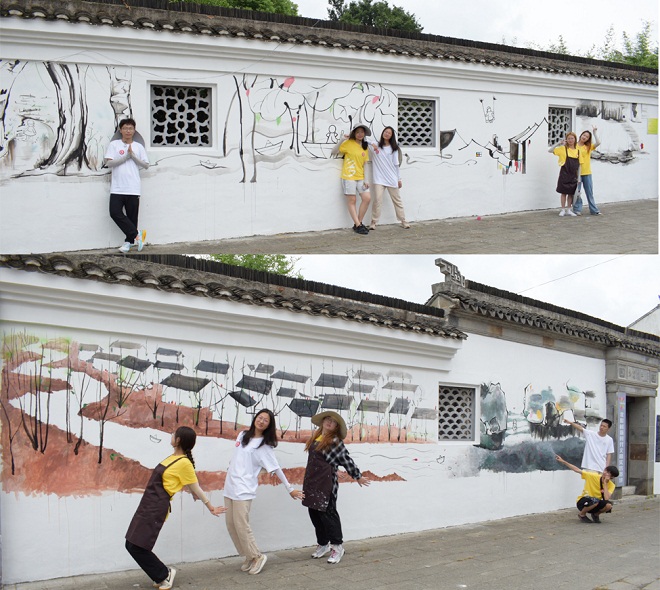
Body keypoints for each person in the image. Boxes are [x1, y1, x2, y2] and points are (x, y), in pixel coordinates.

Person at [125, 426, 224, 590]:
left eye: (173, 434)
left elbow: (195, 487)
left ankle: (164, 574)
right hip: (147, 505)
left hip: (156, 508)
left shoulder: (184, 463)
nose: (171, 435)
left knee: (136, 546)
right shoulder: (171, 458)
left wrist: (210, 506)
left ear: (178, 440)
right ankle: (160, 575)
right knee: (131, 544)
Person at [223, 409, 303, 575]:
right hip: (230, 486)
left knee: (241, 525)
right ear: (255, 418)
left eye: (266, 420)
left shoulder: (264, 446)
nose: (261, 421)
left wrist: (290, 488)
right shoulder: (242, 435)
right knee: (231, 524)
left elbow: (276, 468)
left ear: (269, 425)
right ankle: (249, 556)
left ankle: (257, 556)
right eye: (260, 418)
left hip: (244, 489)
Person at [302, 410, 370, 565]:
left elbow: (346, 459)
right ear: (323, 421)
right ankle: (323, 544)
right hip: (312, 481)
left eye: (333, 421)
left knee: (328, 514)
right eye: (327, 419)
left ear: (336, 427)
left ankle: (337, 547)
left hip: (326, 483)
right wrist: (334, 469)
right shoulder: (315, 437)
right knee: (314, 513)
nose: (329, 422)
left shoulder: (335, 441)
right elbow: (322, 460)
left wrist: (357, 476)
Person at [105, 118, 150, 253]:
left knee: (132, 217)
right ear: (121, 130)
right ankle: (137, 234)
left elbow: (146, 165)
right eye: (125, 128)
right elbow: (109, 163)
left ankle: (128, 243)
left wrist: (133, 156)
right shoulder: (114, 145)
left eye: (130, 128)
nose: (128, 131)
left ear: (134, 130)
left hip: (133, 187)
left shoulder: (139, 147)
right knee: (115, 213)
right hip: (117, 188)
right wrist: (126, 157)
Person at [368, 126, 411, 230]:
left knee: (397, 200)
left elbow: (396, 165)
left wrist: (399, 179)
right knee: (377, 200)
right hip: (379, 179)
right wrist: (372, 144)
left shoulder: (394, 149)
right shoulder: (376, 145)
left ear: (392, 136)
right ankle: (373, 222)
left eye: (389, 133)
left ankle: (403, 220)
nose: (386, 134)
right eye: (385, 132)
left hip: (391, 178)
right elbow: (365, 139)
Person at [332, 124, 372, 235]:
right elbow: (334, 152)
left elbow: (365, 164)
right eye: (357, 132)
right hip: (348, 177)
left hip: (361, 177)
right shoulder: (348, 143)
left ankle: (358, 223)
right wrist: (341, 140)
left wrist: (366, 180)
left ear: (364, 134)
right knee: (352, 200)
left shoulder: (365, 147)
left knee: (367, 198)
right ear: (354, 133)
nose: (360, 134)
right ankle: (358, 225)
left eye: (362, 132)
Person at [555, 454, 619, 523]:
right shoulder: (593, 476)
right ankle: (582, 514)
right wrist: (563, 461)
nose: (606, 474)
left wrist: (605, 483)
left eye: (609, 474)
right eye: (606, 471)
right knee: (595, 501)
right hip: (584, 501)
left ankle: (595, 514)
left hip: (596, 503)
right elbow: (577, 470)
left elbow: (606, 498)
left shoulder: (611, 485)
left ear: (612, 477)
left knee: (609, 505)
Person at [548, 132, 580, 217]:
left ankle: (569, 209)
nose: (570, 140)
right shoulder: (562, 149)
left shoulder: (578, 151)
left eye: (572, 138)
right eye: (569, 138)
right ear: (566, 140)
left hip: (573, 175)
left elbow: (579, 165)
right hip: (564, 173)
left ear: (575, 139)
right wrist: (558, 143)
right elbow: (550, 150)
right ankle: (562, 209)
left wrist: (579, 177)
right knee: (563, 193)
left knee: (571, 193)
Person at [573, 127, 602, 216]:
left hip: (587, 172)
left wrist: (594, 132)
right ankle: (577, 209)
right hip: (576, 173)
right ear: (581, 135)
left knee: (589, 192)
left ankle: (594, 210)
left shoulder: (588, 147)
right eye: (584, 135)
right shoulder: (574, 146)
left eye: (587, 137)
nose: (584, 137)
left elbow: (598, 143)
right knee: (577, 192)